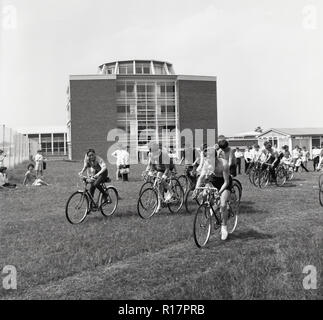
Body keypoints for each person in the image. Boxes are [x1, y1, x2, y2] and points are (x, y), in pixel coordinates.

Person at [193, 147, 232, 241]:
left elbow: (226, 182)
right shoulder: (207, 163)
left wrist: (219, 192)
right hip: (214, 181)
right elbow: (201, 177)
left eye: (210, 159)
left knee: (222, 204)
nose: (208, 161)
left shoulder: (224, 164)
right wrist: (196, 189)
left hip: (224, 183)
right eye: (207, 159)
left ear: (215, 158)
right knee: (204, 195)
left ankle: (224, 227)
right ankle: (211, 210)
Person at [146, 142, 175, 213]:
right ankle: (159, 204)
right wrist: (150, 172)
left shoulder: (164, 155)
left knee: (161, 180)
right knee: (159, 185)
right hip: (159, 169)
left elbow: (167, 168)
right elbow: (152, 165)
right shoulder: (151, 154)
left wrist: (164, 176)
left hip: (168, 168)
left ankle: (171, 193)